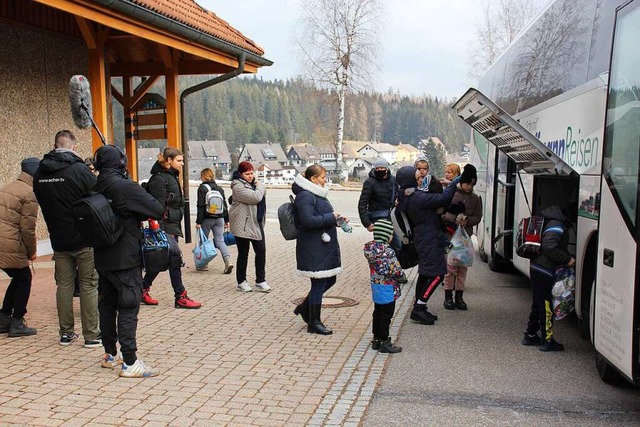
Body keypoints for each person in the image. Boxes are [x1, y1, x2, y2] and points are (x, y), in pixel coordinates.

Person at [93, 145, 165, 377]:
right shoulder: (124, 186)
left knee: (106, 305)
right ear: (122, 162)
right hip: (125, 256)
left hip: (102, 255)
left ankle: (109, 354)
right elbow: (156, 208)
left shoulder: (95, 186)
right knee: (128, 305)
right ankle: (130, 362)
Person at [33, 130, 101, 348]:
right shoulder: (79, 169)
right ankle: (91, 335)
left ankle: (66, 333)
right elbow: (97, 194)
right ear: (73, 147)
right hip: (84, 236)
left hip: (58, 238)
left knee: (63, 285)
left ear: (54, 146)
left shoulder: (40, 172)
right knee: (89, 284)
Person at [395, 165, 460, 325]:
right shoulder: (415, 197)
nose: (420, 180)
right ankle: (419, 308)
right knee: (438, 274)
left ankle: (420, 307)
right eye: (417, 178)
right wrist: (454, 183)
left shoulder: (406, 195)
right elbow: (443, 199)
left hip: (423, 237)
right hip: (428, 238)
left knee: (425, 273)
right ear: (409, 180)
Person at [141, 147, 201, 308]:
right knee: (174, 259)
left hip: (172, 224)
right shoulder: (159, 179)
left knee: (162, 261)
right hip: (165, 226)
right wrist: (157, 230)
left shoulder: (171, 177)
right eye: (179, 161)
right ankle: (180, 296)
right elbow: (157, 206)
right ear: (168, 161)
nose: (182, 164)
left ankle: (142, 288)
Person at [291, 164, 345, 335]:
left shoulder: (316, 193)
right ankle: (314, 322)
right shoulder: (305, 196)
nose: (325, 180)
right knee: (319, 283)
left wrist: (336, 220)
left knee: (330, 279)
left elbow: (319, 216)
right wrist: (331, 217)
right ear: (313, 179)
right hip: (313, 246)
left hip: (322, 245)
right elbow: (308, 221)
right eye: (322, 177)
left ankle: (305, 308)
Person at [522, 205, 575, 352]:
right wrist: (567, 259)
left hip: (537, 267)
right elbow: (550, 245)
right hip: (544, 269)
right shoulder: (557, 225)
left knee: (537, 303)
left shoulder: (549, 220)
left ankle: (530, 334)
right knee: (546, 306)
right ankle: (547, 340)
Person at [0, 158, 40, 337]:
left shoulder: (8, 187)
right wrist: (31, 251)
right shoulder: (30, 194)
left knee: (18, 277)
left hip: (3, 242)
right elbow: (27, 228)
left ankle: (3, 318)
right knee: (24, 278)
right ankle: (17, 321)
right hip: (11, 243)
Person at [441, 164, 483, 310]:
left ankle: (459, 297)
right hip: (450, 235)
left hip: (465, 237)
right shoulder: (451, 194)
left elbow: (478, 216)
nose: (469, 186)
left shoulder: (476, 198)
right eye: (467, 183)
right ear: (462, 181)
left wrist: (468, 221)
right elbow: (442, 212)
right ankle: (448, 297)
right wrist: (454, 218)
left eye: (472, 184)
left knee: (463, 268)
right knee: (450, 267)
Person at [363, 219, 406, 353]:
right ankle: (384, 341)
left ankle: (376, 339)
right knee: (386, 315)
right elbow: (396, 270)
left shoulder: (369, 248)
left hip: (376, 286)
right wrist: (401, 277)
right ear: (387, 235)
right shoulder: (388, 252)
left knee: (378, 313)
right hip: (387, 287)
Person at [229, 161, 270, 293]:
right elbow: (256, 197)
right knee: (243, 253)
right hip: (243, 225)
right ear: (240, 174)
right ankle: (241, 281)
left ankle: (260, 280)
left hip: (256, 223)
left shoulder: (254, 185)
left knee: (261, 251)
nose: (250, 176)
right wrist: (260, 185)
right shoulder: (237, 186)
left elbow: (261, 194)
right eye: (247, 174)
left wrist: (258, 186)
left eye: (252, 173)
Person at [195, 168, 233, 274]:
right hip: (219, 218)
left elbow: (201, 206)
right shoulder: (219, 188)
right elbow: (224, 205)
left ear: (203, 176)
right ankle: (227, 262)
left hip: (207, 219)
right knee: (220, 241)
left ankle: (204, 264)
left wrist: (198, 222)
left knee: (204, 241)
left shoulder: (202, 188)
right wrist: (227, 220)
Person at [357, 158, 396, 232]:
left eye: (382, 168)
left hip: (393, 218)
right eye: (377, 168)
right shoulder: (369, 182)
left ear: (386, 169)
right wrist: (367, 223)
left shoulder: (393, 180)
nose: (379, 170)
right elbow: (362, 204)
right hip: (378, 219)